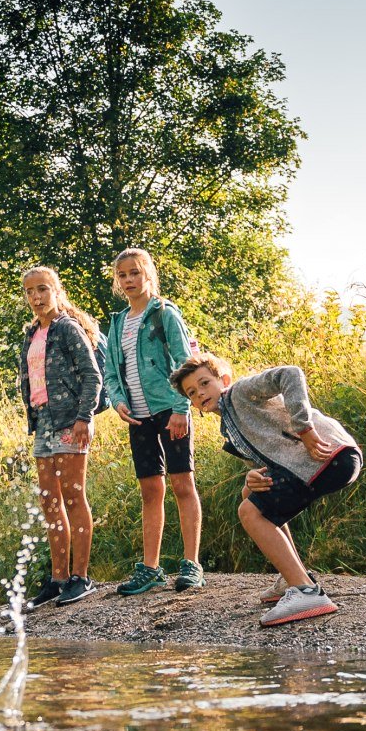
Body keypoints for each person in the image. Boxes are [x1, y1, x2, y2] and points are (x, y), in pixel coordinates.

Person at [172, 353, 362, 627]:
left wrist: (304, 427)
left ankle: (307, 592)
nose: (200, 393)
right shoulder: (230, 424)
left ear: (223, 380)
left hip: (328, 456)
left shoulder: (239, 393)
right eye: (192, 392)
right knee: (250, 496)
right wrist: (251, 477)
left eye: (204, 383)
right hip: (315, 464)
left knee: (250, 512)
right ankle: (293, 576)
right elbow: (270, 458)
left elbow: (290, 373)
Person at [102, 248, 204, 596]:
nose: (129, 280)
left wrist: (181, 407)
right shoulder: (117, 323)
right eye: (122, 276)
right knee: (150, 489)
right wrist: (117, 401)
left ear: (148, 275)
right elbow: (111, 372)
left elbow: (185, 362)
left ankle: (192, 565)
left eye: (134, 273)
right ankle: (150, 568)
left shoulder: (165, 314)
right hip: (138, 416)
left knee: (181, 484)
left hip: (169, 410)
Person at [16, 267, 103, 607]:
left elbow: (92, 376)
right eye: (30, 292)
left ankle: (81, 578)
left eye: (42, 290)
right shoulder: (31, 333)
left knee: (73, 497)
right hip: (43, 424)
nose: (36, 297)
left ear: (56, 290)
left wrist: (84, 418)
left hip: (70, 422)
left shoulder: (67, 328)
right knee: (49, 502)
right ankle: (58, 579)